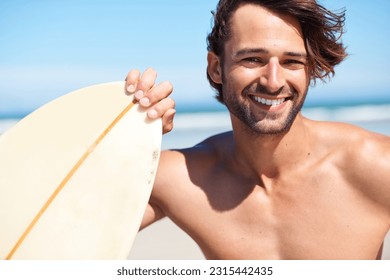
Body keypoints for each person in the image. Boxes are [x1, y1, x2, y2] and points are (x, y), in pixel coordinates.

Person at [126, 0, 390, 259]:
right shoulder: (180, 178)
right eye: (253, 59)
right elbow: (87, 235)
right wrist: (127, 136)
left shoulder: (377, 166)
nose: (273, 82)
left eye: (292, 62)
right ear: (216, 68)